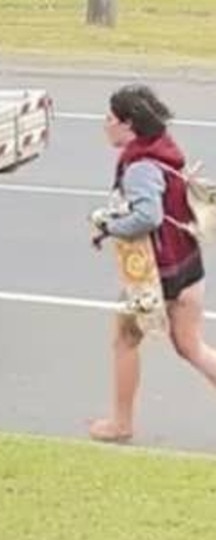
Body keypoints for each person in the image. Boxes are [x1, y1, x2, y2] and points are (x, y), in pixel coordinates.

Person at [88, 84, 216, 443]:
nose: (105, 124)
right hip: (189, 265)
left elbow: (148, 217)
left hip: (157, 275)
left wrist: (109, 226)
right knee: (191, 346)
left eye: (110, 118)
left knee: (124, 342)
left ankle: (121, 424)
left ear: (128, 124)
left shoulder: (140, 167)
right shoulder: (166, 152)